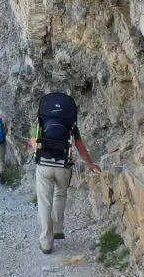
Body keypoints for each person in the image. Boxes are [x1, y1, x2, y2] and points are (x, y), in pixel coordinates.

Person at [29, 99, 101, 255]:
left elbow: (33, 142)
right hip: (63, 166)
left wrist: (37, 148)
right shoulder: (71, 122)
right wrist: (89, 163)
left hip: (44, 165)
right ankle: (57, 229)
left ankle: (46, 242)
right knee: (60, 195)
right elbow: (79, 144)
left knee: (44, 202)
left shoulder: (41, 119)